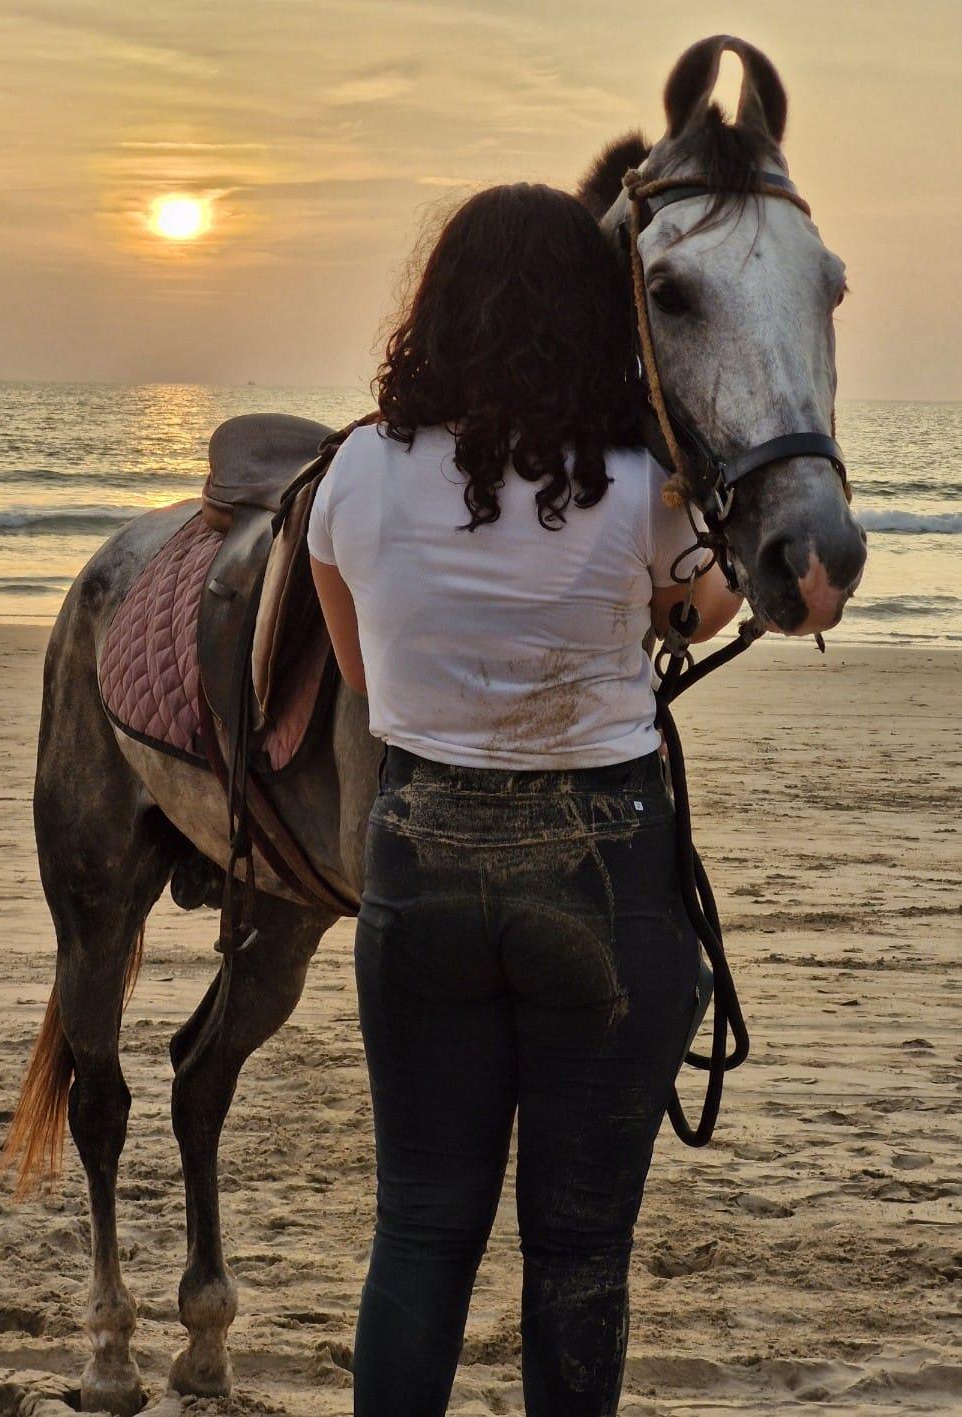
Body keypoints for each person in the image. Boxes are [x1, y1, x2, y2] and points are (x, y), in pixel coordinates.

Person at [307, 182, 741, 1416]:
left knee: (421, 1227)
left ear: (437, 308)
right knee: (579, 1246)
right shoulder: (634, 481)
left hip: (420, 860)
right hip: (600, 869)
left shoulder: (355, 472)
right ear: (591, 320)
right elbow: (708, 610)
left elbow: (360, 674)